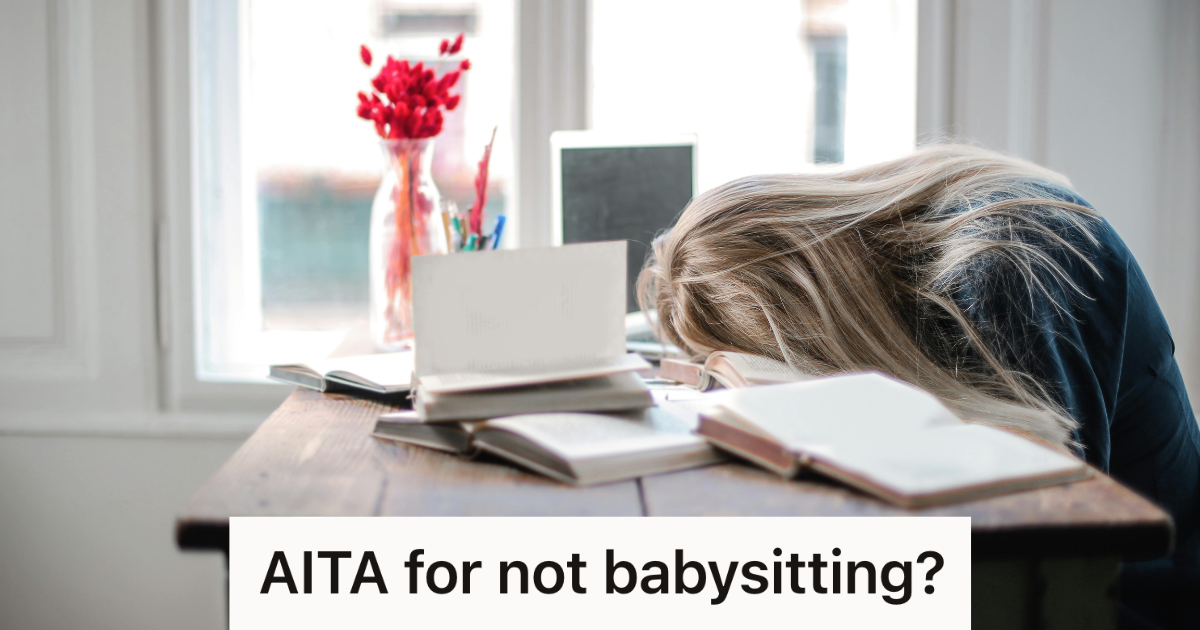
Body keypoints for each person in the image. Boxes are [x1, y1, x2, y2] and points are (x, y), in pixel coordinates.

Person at [638, 144, 1200, 628]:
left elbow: (1039, 558)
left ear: (805, 320)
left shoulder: (1008, 264)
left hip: (1137, 600)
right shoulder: (924, 257)